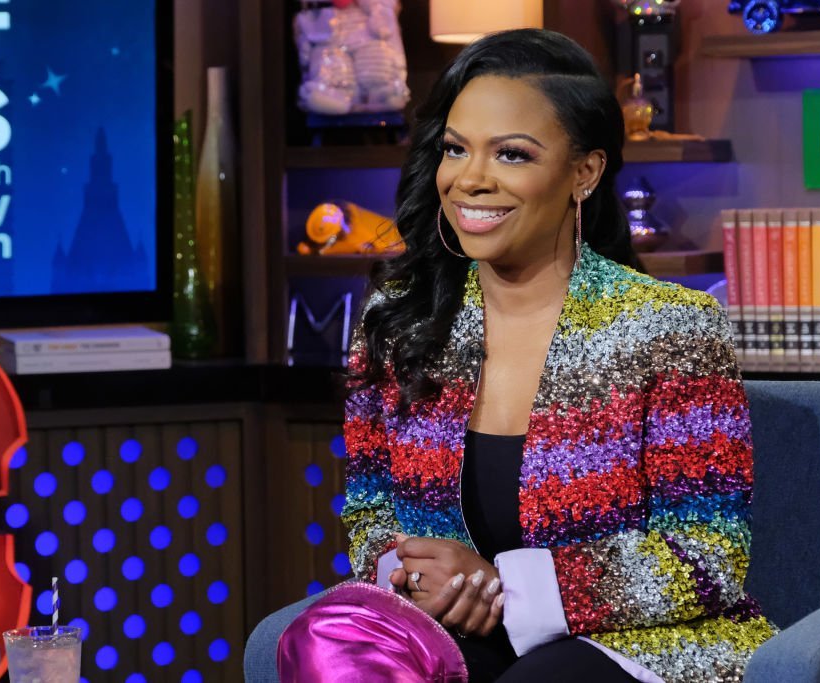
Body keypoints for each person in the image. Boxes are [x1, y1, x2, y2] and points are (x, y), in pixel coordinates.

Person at [279, 28, 776, 682]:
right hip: (455, 627)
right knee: (324, 644)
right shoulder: (398, 317)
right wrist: (413, 574)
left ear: (585, 173)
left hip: (628, 642)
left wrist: (510, 587)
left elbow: (708, 553)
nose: (471, 180)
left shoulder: (669, 326)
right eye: (456, 149)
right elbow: (372, 512)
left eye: (511, 154)